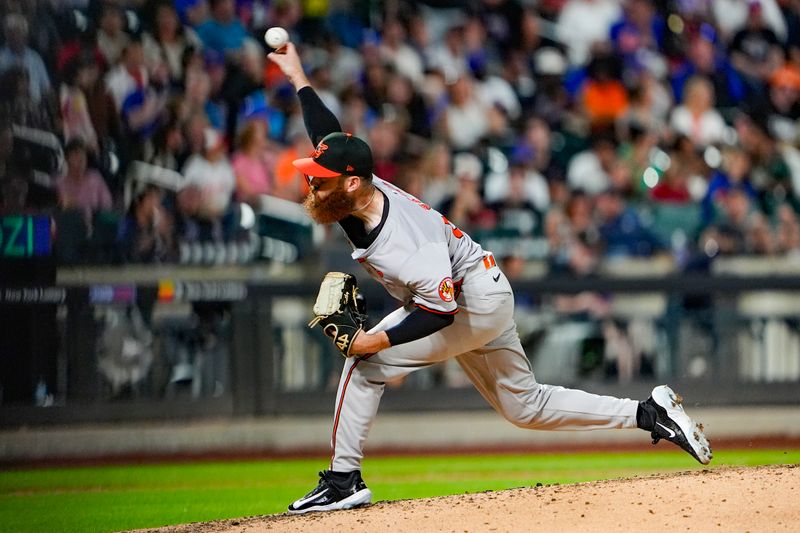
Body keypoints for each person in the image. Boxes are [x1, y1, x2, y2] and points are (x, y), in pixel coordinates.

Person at [268, 43, 712, 515]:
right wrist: (297, 74)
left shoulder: (404, 239)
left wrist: (372, 343)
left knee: (365, 366)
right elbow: (329, 135)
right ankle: (650, 412)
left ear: (351, 182)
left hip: (468, 301)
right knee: (526, 407)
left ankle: (342, 481)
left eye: (320, 177)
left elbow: (439, 311)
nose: (311, 183)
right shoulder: (356, 191)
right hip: (480, 288)